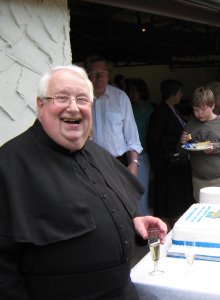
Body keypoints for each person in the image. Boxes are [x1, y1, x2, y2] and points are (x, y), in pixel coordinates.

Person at [0, 65, 167, 299]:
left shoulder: (97, 152)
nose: (73, 106)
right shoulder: (9, 164)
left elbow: (85, 217)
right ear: (41, 106)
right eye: (61, 97)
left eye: (82, 99)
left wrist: (134, 223)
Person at [180, 87, 220, 204]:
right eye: (196, 110)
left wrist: (216, 148)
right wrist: (183, 143)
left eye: (203, 109)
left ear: (213, 105)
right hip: (199, 181)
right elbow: (183, 152)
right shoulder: (190, 125)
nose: (199, 114)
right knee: (206, 217)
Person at [147, 79, 194, 230]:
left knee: (176, 202)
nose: (182, 95)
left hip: (176, 164)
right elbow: (153, 140)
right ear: (172, 94)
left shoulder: (173, 109)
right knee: (167, 203)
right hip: (166, 166)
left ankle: (176, 228)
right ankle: (166, 232)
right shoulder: (160, 112)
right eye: (180, 92)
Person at [85, 54, 142, 175]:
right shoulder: (80, 99)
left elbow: (132, 137)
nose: (99, 77)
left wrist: (134, 162)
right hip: (89, 163)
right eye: (94, 73)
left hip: (117, 163)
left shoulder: (120, 98)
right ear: (87, 75)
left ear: (108, 75)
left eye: (103, 72)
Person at [126, 78, 154, 216]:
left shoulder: (150, 108)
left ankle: (145, 217)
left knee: (144, 186)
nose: (131, 93)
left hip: (145, 152)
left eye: (133, 91)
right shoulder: (130, 107)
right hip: (134, 153)